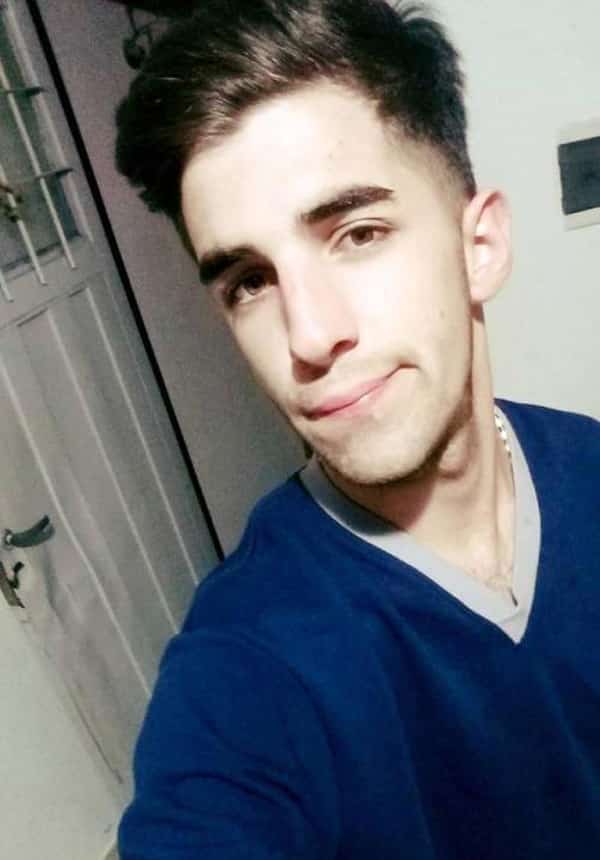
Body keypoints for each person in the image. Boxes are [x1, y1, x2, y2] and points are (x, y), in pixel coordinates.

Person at [115, 1, 600, 857]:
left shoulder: (589, 465)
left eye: (358, 233)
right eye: (250, 281)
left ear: (480, 247)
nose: (308, 335)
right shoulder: (246, 671)